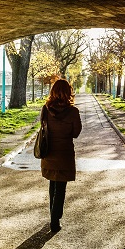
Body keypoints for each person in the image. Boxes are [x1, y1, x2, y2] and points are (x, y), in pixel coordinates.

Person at [40, 78, 82, 232]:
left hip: (49, 151)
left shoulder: (45, 109)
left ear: (53, 92)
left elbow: (42, 126)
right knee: (61, 187)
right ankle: (54, 220)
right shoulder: (73, 112)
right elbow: (76, 133)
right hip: (64, 153)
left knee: (52, 184)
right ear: (68, 92)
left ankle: (53, 216)